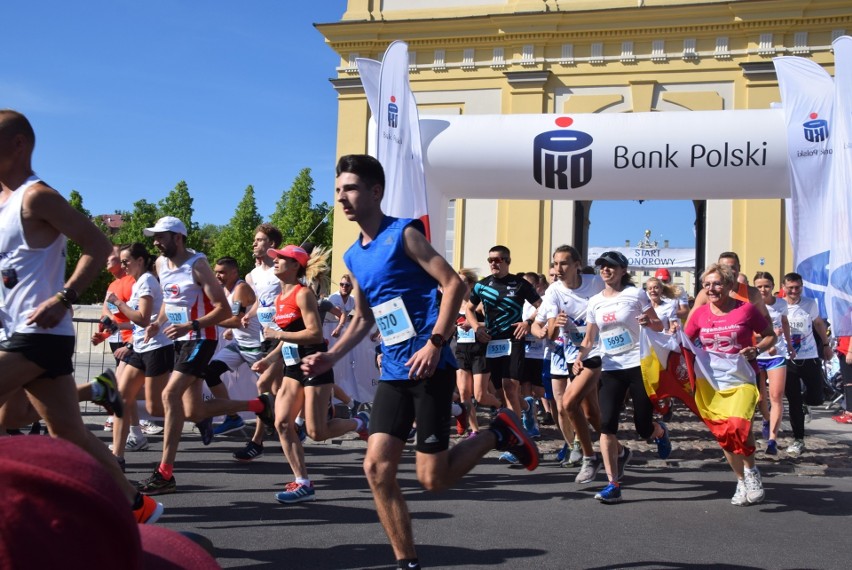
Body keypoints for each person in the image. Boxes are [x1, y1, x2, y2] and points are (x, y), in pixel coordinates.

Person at [302, 155, 539, 570]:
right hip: (393, 371)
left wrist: (434, 343)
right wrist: (331, 355)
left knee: (433, 478)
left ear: (376, 191)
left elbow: (452, 284)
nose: (343, 197)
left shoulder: (404, 235)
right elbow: (364, 315)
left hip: (431, 367)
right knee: (376, 468)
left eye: (351, 188)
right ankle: (406, 561)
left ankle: (498, 433)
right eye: (338, 190)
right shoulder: (354, 256)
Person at [0, 109, 161, 523]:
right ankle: (139, 507)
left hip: (39, 334)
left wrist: (64, 297)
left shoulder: (37, 196)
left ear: (18, 145)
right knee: (64, 431)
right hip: (16, 332)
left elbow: (96, 243)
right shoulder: (2, 201)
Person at [136, 216, 274, 495]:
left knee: (168, 395)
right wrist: (157, 323)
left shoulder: (198, 265)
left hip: (201, 338)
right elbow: (173, 302)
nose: (156, 242)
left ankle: (165, 472)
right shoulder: (161, 265)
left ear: (178, 237)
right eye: (155, 236)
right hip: (180, 340)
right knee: (193, 411)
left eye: (161, 236)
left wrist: (193, 324)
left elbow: (223, 310)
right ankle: (258, 406)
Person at [249, 244, 369, 503]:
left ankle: (360, 423)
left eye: (282, 259)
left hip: (315, 364)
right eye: (276, 259)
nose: (276, 262)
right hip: (293, 367)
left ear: (296, 266)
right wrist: (269, 359)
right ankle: (302, 481)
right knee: (282, 422)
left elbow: (314, 333)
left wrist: (277, 334)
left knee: (317, 432)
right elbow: (287, 338)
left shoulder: (303, 294)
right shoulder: (281, 297)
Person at [574, 250, 669, 504]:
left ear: (623, 270)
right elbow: (589, 337)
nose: (606, 270)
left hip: (638, 365)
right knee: (606, 425)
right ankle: (612, 483)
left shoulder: (635, 294)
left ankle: (658, 432)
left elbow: (659, 325)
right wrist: (579, 357)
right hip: (611, 367)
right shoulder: (594, 301)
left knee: (642, 427)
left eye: (612, 266)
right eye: (602, 266)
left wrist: (648, 323)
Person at [684, 263, 776, 506]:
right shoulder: (701, 314)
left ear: (729, 285)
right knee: (724, 434)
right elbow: (684, 342)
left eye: (717, 284)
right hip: (712, 382)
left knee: (739, 427)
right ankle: (741, 480)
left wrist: (757, 349)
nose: (712, 289)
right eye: (707, 285)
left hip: (743, 378)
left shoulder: (745, 310)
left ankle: (752, 471)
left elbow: (770, 335)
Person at [535, 245, 606, 483]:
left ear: (577, 264)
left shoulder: (595, 282)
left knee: (568, 402)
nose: (559, 269)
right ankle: (617, 451)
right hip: (570, 354)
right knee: (590, 412)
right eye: (555, 264)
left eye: (564, 263)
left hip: (597, 352)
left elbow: (619, 297)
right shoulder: (555, 290)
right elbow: (546, 331)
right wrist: (555, 324)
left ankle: (589, 456)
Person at [465, 245, 542, 463]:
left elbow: (541, 305)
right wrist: (477, 328)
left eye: (499, 260)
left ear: (508, 261)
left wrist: (528, 322)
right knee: (499, 394)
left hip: (513, 340)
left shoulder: (519, 284)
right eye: (491, 260)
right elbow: (470, 309)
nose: (494, 263)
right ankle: (527, 407)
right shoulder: (482, 286)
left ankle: (516, 441)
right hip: (491, 342)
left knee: (510, 387)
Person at [108, 243, 174, 468]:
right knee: (121, 397)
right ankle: (118, 457)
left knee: (155, 408)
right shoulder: (138, 283)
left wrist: (117, 302)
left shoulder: (146, 281)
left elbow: (143, 318)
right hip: (140, 347)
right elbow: (138, 321)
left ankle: (196, 414)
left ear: (140, 260)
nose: (123, 265)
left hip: (157, 347)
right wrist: (116, 325)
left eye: (126, 261)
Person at [232, 224, 286, 461]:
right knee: (278, 389)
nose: (254, 243)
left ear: (271, 245)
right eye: (254, 240)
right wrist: (248, 315)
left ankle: (257, 441)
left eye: (259, 239)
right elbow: (258, 303)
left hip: (283, 336)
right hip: (265, 336)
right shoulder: (251, 275)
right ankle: (298, 424)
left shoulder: (281, 268)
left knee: (263, 385)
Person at [204, 256, 262, 436]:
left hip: (256, 347)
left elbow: (236, 321)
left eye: (222, 272)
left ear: (234, 273)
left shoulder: (240, 288)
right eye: (216, 272)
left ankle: (294, 423)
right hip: (239, 346)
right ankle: (232, 416)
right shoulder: (225, 290)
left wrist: (207, 322)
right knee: (210, 372)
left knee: (273, 389)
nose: (218, 275)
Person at [782, 272, 833, 456]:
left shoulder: (810, 304)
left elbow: (819, 324)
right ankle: (798, 439)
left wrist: (826, 345)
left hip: (810, 356)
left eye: (797, 287)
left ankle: (807, 403)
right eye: (791, 288)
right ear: (784, 288)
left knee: (817, 397)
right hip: (788, 360)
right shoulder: (780, 306)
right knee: (793, 400)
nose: (794, 291)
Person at [752, 271, 793, 455]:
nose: (763, 289)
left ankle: (772, 440)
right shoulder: (750, 306)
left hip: (778, 354)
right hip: (757, 354)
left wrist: (789, 345)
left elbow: (784, 323)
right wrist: (767, 339)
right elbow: (748, 332)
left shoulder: (781, 304)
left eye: (766, 286)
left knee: (776, 396)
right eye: (759, 286)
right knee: (760, 399)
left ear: (773, 287)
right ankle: (767, 420)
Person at [454, 269, 488, 437]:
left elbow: (491, 324)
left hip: (479, 351)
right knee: (463, 392)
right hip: (461, 350)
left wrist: (474, 324)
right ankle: (474, 430)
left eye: (463, 283)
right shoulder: (454, 304)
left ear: (471, 285)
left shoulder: (480, 305)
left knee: (480, 396)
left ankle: (502, 407)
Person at [329, 273, 355, 338]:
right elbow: (339, 315)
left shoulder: (352, 299)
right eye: (341, 284)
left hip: (339, 331)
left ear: (352, 287)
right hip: (329, 330)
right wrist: (352, 317)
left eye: (347, 285)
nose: (344, 287)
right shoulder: (335, 297)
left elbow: (363, 313)